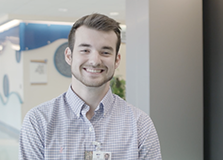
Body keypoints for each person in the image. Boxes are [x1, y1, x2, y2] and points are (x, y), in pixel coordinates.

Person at [19, 13, 162, 160]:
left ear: (116, 60)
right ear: (69, 56)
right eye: (85, 50)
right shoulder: (39, 122)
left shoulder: (140, 125)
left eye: (105, 52)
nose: (95, 61)